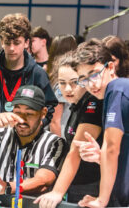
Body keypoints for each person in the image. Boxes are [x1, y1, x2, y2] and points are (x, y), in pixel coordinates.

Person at [34, 52, 103, 207]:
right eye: (62, 83)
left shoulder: (92, 103)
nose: (67, 89)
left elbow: (75, 151)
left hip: (90, 186)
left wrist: (57, 191)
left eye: (74, 82)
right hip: (75, 183)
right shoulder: (76, 104)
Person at [0, 85, 66, 195]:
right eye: (17, 112)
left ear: (43, 113)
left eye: (29, 114)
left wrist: (7, 188)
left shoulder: (55, 143)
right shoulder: (1, 133)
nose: (22, 119)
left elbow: (43, 180)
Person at [68, 39, 129, 207]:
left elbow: (111, 149)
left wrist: (101, 200)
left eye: (94, 73)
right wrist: (101, 157)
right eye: (84, 79)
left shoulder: (117, 89)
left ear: (110, 67)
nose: (92, 84)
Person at [0, 13, 57, 127]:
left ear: (26, 43)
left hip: (24, 137)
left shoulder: (37, 74)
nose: (11, 48)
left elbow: (50, 107)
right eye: (7, 43)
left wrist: (34, 127)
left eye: (16, 43)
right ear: (2, 42)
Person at [47, 35, 77, 137]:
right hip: (62, 136)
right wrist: (60, 148)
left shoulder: (52, 74)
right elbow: (55, 121)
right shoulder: (60, 82)